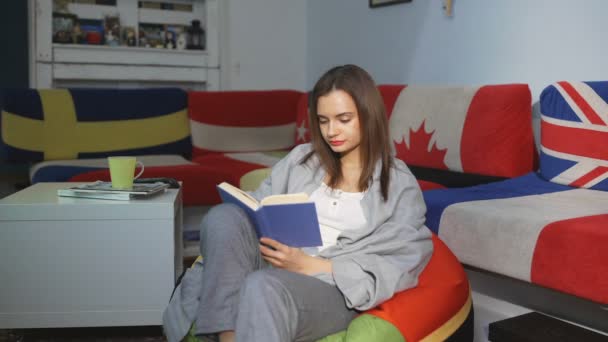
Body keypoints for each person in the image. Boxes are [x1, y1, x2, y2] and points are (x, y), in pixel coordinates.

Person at [163, 64, 433, 342]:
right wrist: (248, 210)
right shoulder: (303, 159)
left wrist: (310, 265)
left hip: (333, 289)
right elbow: (260, 203)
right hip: (275, 262)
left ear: (368, 114)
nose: (331, 131)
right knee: (223, 216)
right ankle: (227, 336)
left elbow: (403, 256)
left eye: (343, 119)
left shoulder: (397, 180)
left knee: (262, 285)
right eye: (323, 120)